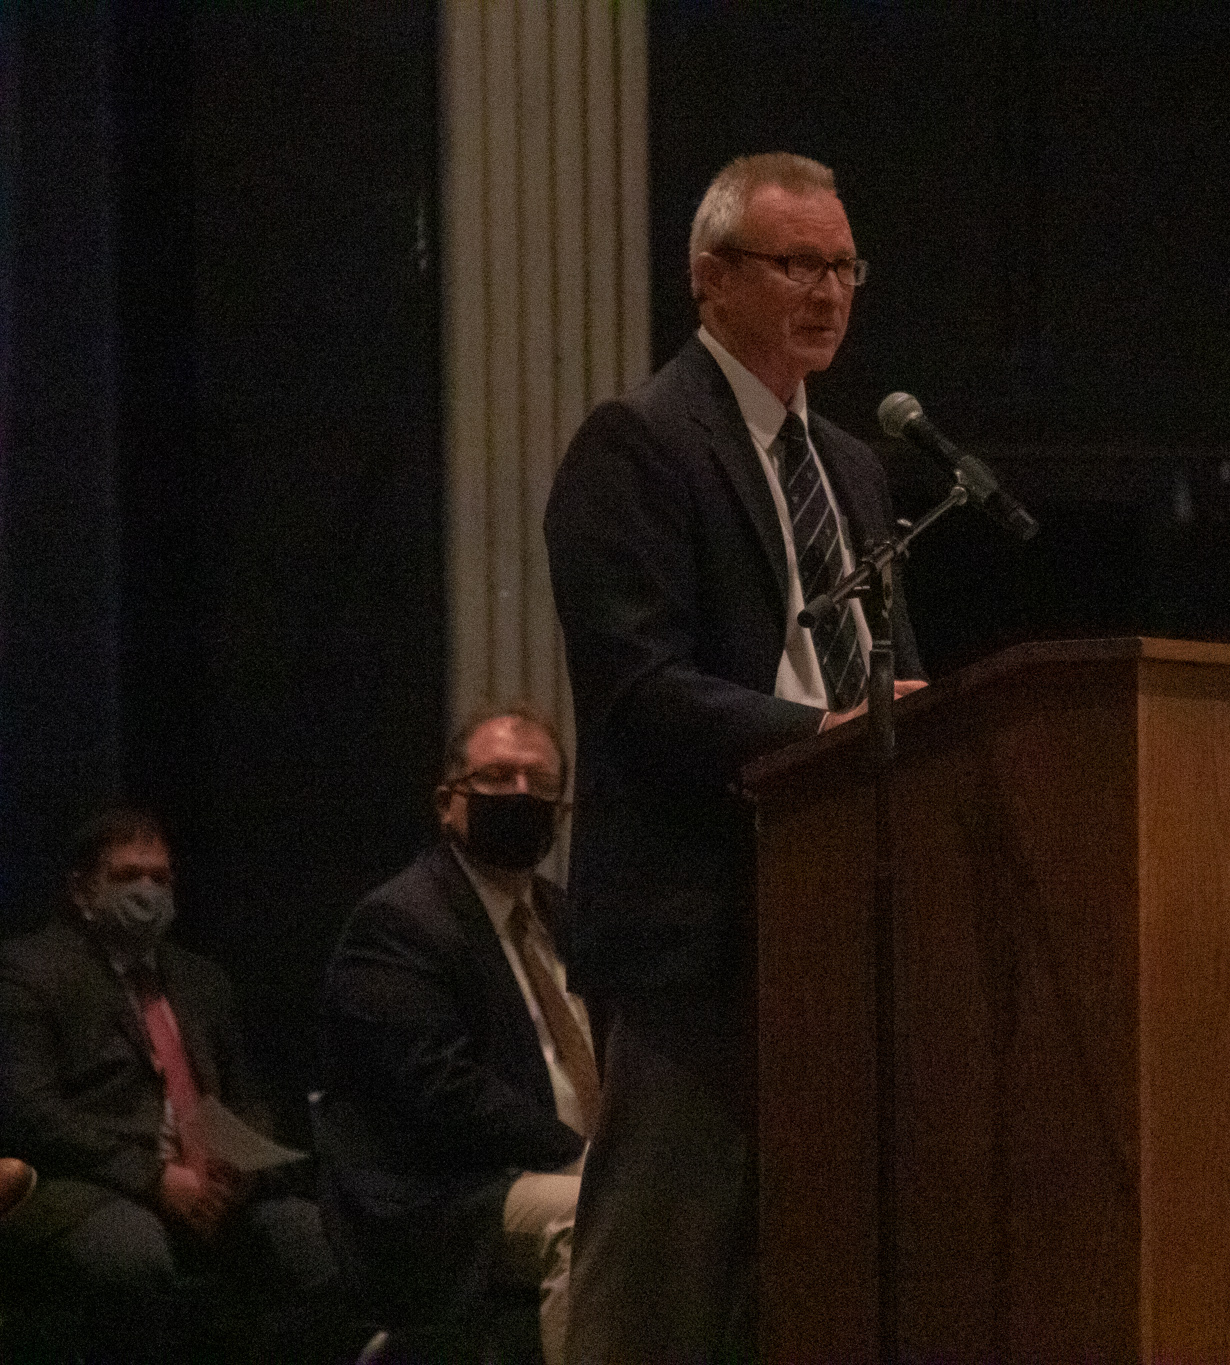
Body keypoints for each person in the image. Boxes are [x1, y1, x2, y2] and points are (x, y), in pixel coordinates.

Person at [544, 151, 926, 1361]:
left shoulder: (850, 465)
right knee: (659, 1284)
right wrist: (818, 738)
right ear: (709, 277)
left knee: (804, 1280)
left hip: (841, 917)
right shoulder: (639, 444)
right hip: (697, 925)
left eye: (845, 267)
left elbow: (887, 675)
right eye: (796, 264)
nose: (828, 293)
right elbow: (637, 691)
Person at [0, 807, 341, 1361]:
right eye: (126, 876)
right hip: (92, 1184)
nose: (147, 891)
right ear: (82, 889)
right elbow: (30, 1111)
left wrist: (239, 1171)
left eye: (159, 878)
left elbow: (245, 1099)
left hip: (209, 1185)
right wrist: (154, 1177)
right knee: (134, 1254)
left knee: (316, 1237)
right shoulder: (30, 972)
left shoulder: (201, 978)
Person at [320, 705, 592, 1363]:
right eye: (497, 777)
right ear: (448, 803)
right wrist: (587, 1153)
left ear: (561, 812)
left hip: (561, 1162)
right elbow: (441, 1088)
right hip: (445, 1195)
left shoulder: (563, 914)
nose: (520, 795)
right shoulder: (400, 920)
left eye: (539, 782)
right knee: (594, 1215)